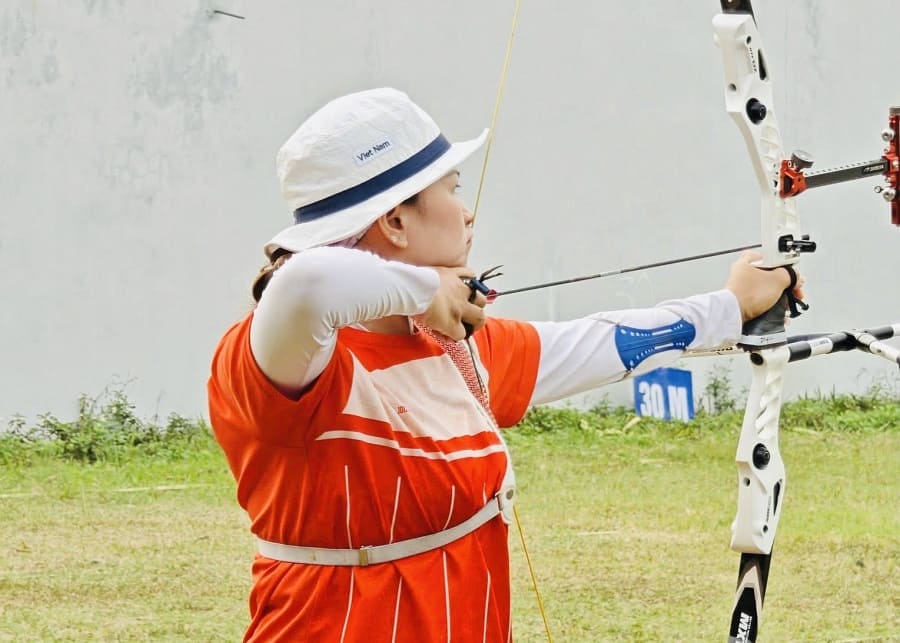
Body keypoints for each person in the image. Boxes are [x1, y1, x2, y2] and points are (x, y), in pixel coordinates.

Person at [207, 87, 798, 642]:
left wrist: (732, 305)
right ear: (395, 221)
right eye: (452, 189)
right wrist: (424, 290)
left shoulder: (452, 349)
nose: (467, 213)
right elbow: (307, 283)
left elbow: (600, 343)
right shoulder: (284, 360)